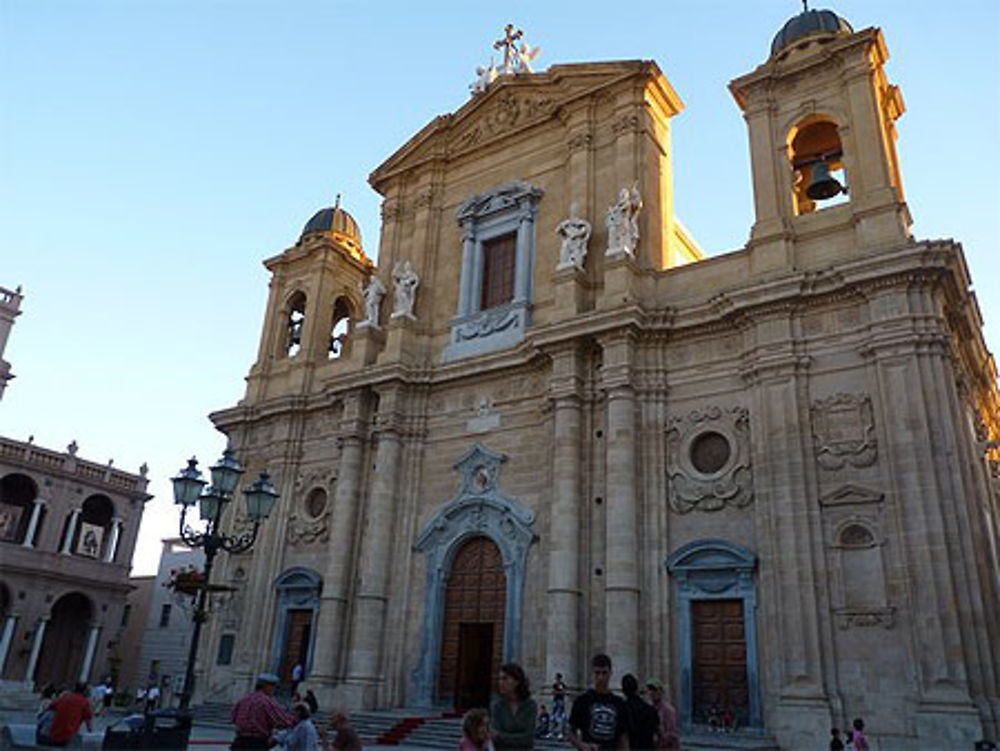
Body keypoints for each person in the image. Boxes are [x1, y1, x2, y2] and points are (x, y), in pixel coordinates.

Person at [569, 654, 629, 751]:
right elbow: (571, 731)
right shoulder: (582, 701)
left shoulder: (619, 703)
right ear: (592, 674)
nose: (600, 677)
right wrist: (581, 745)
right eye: (597, 673)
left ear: (610, 673)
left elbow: (623, 737)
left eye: (604, 673)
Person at [231, 673, 295, 750]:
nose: (273, 689)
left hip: (239, 741)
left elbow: (233, 716)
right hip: (256, 743)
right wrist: (295, 720)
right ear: (266, 686)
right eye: (272, 686)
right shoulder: (266, 701)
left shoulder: (244, 698)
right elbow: (281, 719)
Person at [490, 662, 537, 751]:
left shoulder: (530, 705)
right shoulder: (497, 706)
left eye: (505, 679)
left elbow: (528, 739)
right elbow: (494, 736)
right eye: (499, 679)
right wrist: (517, 738)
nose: (500, 683)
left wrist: (502, 737)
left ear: (517, 682)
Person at [38, 681, 93, 747]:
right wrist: (90, 729)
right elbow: (88, 720)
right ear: (85, 691)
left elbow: (51, 707)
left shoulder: (65, 697)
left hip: (54, 732)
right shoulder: (84, 702)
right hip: (69, 735)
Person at [621, 675, 658, 751]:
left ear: (623, 691)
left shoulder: (622, 710)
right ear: (637, 689)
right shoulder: (651, 710)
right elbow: (658, 734)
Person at [644, 680, 678, 751]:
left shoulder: (668, 710)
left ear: (661, 691)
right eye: (650, 689)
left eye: (655, 690)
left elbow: (672, 734)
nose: (652, 692)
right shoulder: (649, 708)